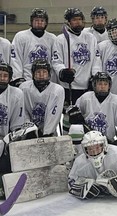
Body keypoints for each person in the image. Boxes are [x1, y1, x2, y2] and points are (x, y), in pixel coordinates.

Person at [52, 7, 102, 134]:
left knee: (87, 117)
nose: (78, 22)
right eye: (74, 20)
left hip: (87, 87)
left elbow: (96, 60)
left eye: (80, 19)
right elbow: (56, 61)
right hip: (70, 87)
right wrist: (62, 71)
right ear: (68, 22)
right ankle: (68, 143)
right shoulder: (61, 39)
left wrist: (95, 76)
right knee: (70, 118)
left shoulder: (90, 38)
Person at [68, 130, 117, 199]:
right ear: (85, 150)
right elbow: (71, 181)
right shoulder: (80, 162)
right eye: (90, 149)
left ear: (104, 145)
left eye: (97, 147)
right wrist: (82, 188)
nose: (94, 152)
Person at [67, 72, 117, 149]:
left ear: (109, 86)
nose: (102, 87)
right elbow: (73, 113)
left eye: (105, 84)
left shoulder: (116, 101)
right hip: (86, 142)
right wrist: (73, 115)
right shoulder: (86, 98)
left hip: (107, 143)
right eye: (100, 84)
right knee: (75, 129)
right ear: (94, 85)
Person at [10, 8, 57, 85]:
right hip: (26, 80)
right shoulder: (21, 36)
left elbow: (55, 61)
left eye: (42, 21)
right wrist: (17, 78)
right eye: (36, 20)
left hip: (47, 80)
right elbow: (15, 59)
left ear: (46, 23)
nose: (39, 23)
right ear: (31, 22)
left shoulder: (52, 38)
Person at [19, 59, 65, 137]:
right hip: (28, 133)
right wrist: (29, 130)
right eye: (38, 72)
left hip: (49, 134)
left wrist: (47, 133)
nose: (41, 75)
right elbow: (23, 111)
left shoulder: (57, 90)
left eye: (44, 72)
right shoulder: (24, 88)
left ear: (49, 74)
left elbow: (54, 113)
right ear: (33, 74)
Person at [0, 63, 25, 197]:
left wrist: (8, 141)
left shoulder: (16, 94)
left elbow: (17, 124)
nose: (2, 78)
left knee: (6, 163)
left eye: (5, 76)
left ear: (10, 78)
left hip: (5, 139)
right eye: (0, 75)